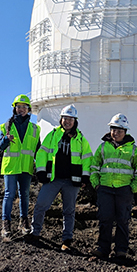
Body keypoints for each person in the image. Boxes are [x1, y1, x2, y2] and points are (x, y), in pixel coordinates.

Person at [30, 104, 93, 251]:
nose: (68, 121)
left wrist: (85, 177)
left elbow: (87, 158)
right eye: (65, 118)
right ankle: (35, 233)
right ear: (61, 119)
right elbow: (41, 153)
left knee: (69, 211)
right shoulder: (52, 135)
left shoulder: (80, 139)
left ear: (75, 121)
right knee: (41, 205)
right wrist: (40, 171)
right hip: (53, 178)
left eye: (71, 119)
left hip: (72, 181)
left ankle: (67, 240)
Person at [90, 113, 137, 259]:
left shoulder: (133, 150)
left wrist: (133, 188)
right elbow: (94, 167)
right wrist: (96, 185)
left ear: (125, 132)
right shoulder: (103, 147)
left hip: (124, 190)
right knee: (105, 219)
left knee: (123, 220)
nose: (116, 133)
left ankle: (121, 250)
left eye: (120, 130)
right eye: (114, 130)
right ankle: (103, 249)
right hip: (105, 189)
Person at [0, 94, 40, 240]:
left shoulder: (35, 129)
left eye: (24, 107)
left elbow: (38, 150)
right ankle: (6, 225)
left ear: (29, 110)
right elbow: (0, 146)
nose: (21, 109)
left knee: (25, 195)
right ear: (15, 109)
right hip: (11, 166)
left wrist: (41, 167)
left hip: (26, 167)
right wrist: (6, 139)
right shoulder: (6, 126)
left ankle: (24, 222)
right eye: (19, 107)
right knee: (9, 194)